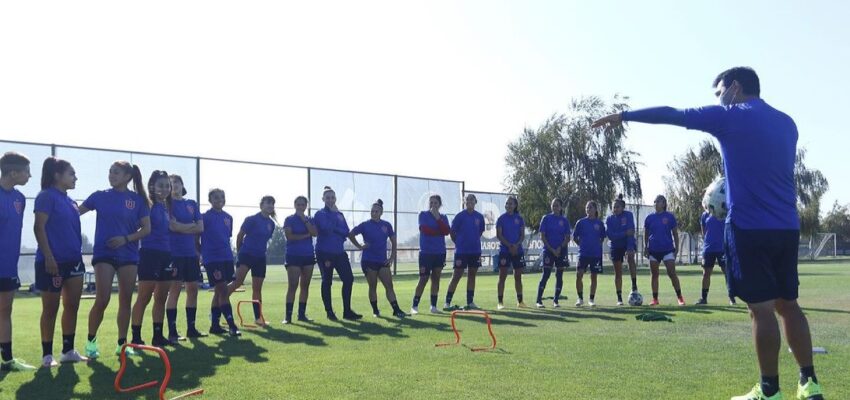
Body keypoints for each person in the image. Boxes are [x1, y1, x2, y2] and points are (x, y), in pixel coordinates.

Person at [592, 66, 823, 400]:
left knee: (760, 309)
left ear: (734, 88)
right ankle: (809, 383)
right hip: (787, 227)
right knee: (789, 305)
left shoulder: (729, 117)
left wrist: (624, 115)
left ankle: (770, 391)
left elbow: (673, 115)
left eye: (719, 93)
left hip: (750, 228)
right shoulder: (788, 123)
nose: (718, 100)